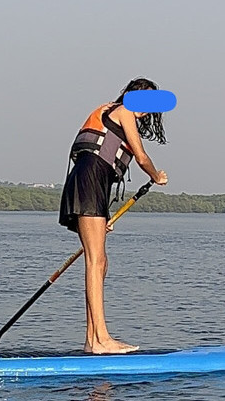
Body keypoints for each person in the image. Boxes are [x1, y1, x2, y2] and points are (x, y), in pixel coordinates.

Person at [59, 78, 169, 354]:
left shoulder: (115, 113)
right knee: (96, 262)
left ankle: (91, 339)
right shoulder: (122, 111)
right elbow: (141, 157)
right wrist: (157, 176)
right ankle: (103, 340)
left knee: (100, 262)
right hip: (88, 183)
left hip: (92, 186)